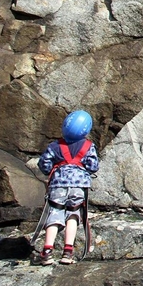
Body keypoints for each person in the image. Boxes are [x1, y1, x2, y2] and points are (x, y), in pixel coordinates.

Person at [34, 110, 99, 265]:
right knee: (73, 215)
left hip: (58, 183)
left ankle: (47, 250)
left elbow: (44, 164)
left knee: (55, 213)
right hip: (79, 184)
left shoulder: (55, 146)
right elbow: (93, 165)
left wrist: (51, 170)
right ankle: (67, 252)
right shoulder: (88, 146)